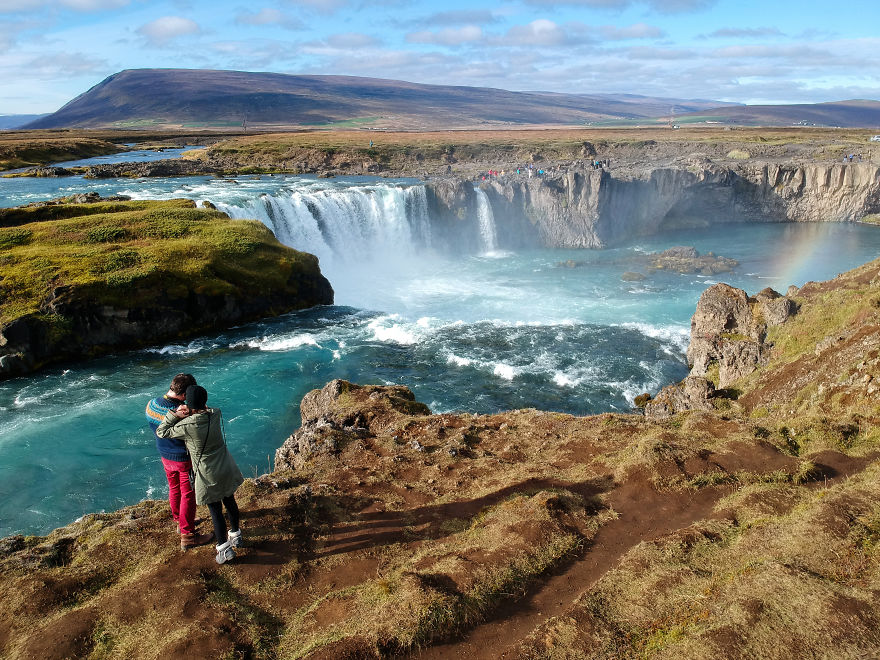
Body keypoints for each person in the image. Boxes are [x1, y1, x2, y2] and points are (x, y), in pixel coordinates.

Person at [156, 385, 244, 564]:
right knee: (230, 501)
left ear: (189, 404)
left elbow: (162, 431)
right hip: (225, 466)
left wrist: (175, 414)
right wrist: (195, 408)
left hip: (207, 473)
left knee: (215, 511)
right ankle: (236, 536)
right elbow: (208, 410)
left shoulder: (188, 425)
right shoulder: (216, 413)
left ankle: (224, 550)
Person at [146, 373, 212, 550]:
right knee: (188, 494)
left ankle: (179, 520)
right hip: (182, 458)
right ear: (184, 395)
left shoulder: (152, 404)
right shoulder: (182, 412)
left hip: (164, 455)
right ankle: (188, 535)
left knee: (174, 488)